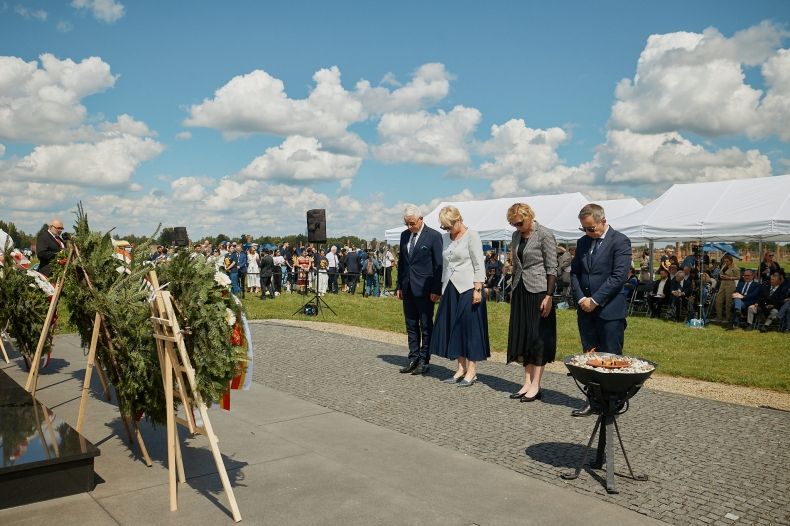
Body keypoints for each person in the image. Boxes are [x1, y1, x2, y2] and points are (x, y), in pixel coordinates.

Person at [570, 203, 632, 417]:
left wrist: (595, 300)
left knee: (611, 358)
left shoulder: (620, 241)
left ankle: (612, 402)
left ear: (603, 221)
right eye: (584, 229)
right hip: (585, 310)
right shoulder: (583, 242)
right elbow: (575, 273)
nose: (588, 232)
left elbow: (619, 276)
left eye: (591, 228)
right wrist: (581, 299)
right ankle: (592, 400)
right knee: (590, 356)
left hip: (609, 310)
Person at [430, 206, 489, 387]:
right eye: (444, 227)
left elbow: (479, 264)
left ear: (458, 220)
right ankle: (460, 368)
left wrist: (478, 289)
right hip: (450, 288)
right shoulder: (445, 238)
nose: (447, 230)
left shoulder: (472, 236)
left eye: (449, 226)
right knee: (453, 328)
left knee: (469, 329)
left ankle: (472, 371)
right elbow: (445, 265)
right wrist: (441, 287)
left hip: (469, 288)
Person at [505, 203, 558, 402]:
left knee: (538, 337)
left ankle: (536, 384)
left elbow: (552, 267)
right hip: (520, 290)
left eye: (519, 223)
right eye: (513, 224)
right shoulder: (516, 236)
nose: (517, 227)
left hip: (539, 291)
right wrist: (512, 288)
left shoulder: (545, 234)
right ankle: (526, 382)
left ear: (529, 217)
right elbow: (516, 265)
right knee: (524, 336)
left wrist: (549, 295)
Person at [396, 204, 443, 375]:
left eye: (412, 223)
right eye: (406, 223)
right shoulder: (404, 236)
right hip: (407, 287)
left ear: (421, 219)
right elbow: (402, 263)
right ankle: (413, 358)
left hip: (425, 289)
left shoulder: (434, 236)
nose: (409, 227)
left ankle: (424, 359)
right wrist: (399, 286)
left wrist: (436, 289)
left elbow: (439, 265)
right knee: (410, 325)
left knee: (425, 325)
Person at [713, 255, 740, 322]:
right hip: (722, 283)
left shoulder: (735, 268)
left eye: (727, 261)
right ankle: (719, 317)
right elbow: (720, 274)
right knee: (718, 300)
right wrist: (721, 276)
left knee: (728, 302)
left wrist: (730, 278)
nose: (726, 262)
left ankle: (728, 318)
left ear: (731, 261)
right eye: (724, 261)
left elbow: (738, 277)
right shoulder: (723, 266)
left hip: (730, 284)